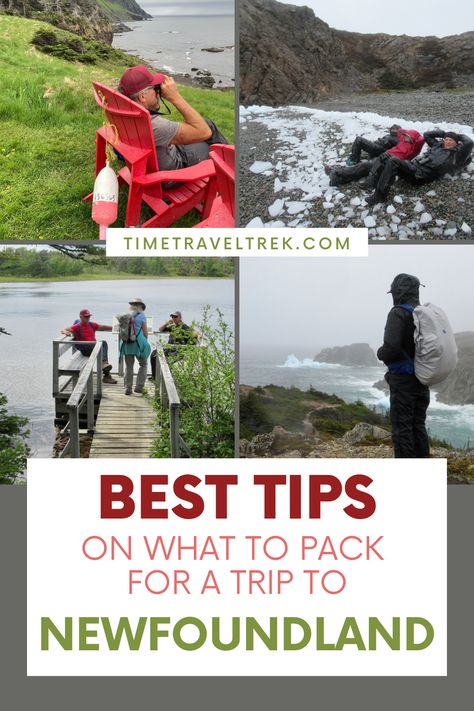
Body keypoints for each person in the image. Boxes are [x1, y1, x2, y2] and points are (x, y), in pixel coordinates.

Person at [118, 66, 229, 172]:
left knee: (207, 123)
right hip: (171, 171)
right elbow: (204, 132)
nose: (159, 92)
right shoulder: (154, 125)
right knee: (210, 144)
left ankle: (230, 159)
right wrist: (175, 97)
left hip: (152, 160)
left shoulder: (122, 113)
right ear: (142, 96)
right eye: (156, 88)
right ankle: (230, 165)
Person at [377, 273, 430, 459]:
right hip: (423, 378)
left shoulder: (398, 312)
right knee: (418, 425)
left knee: (402, 428)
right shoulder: (423, 313)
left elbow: (391, 347)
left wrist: (380, 353)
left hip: (403, 381)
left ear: (397, 292)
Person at [365, 129, 474, 205]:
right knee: (387, 157)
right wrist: (445, 133)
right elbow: (427, 134)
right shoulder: (437, 146)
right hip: (412, 167)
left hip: (420, 176)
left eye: (451, 140)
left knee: (393, 161)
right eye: (446, 139)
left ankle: (380, 195)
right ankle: (373, 181)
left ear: (456, 143)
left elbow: (469, 142)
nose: (448, 141)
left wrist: (456, 135)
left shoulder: (456, 155)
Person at [325, 129, 424, 187]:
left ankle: (337, 172)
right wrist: (402, 131)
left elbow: (423, 139)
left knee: (363, 166)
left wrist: (419, 138)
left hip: (387, 161)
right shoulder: (404, 141)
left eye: (407, 136)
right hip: (382, 156)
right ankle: (338, 180)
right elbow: (400, 132)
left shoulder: (412, 149)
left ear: (413, 139)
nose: (404, 137)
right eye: (405, 135)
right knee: (362, 170)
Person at [61, 309, 117, 384]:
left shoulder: (92, 325)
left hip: (94, 347)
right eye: (86, 317)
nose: (88, 318)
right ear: (81, 317)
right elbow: (64, 329)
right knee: (101, 345)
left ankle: (105, 369)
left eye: (89, 316)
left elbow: (103, 327)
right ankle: (105, 370)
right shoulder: (77, 326)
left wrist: (115, 328)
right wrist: (66, 332)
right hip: (85, 349)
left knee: (103, 344)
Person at [150, 310, 198, 379]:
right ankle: (154, 377)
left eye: (175, 316)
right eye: (172, 317)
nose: (174, 318)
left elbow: (194, 334)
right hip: (169, 349)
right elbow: (160, 329)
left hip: (178, 351)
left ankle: (167, 379)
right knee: (153, 354)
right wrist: (167, 323)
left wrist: (197, 335)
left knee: (166, 359)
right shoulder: (173, 327)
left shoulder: (184, 327)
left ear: (180, 318)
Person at [119, 298, 152, 396]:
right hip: (138, 344)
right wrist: (144, 344)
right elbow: (145, 333)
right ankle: (139, 387)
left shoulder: (126, 316)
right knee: (143, 364)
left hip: (126, 344)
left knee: (129, 366)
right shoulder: (142, 316)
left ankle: (128, 389)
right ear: (140, 307)